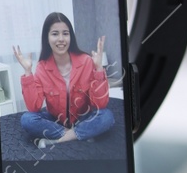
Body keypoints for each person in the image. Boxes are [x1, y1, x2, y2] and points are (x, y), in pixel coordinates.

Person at [11, 12, 114, 148]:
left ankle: (60, 139)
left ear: (70, 37)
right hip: (56, 121)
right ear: (47, 38)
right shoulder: (42, 67)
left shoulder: (86, 61)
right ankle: (77, 135)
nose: (61, 39)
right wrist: (28, 72)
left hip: (83, 118)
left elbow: (100, 104)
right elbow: (34, 107)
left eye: (65, 33)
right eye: (55, 34)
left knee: (107, 116)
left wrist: (99, 68)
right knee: (27, 119)